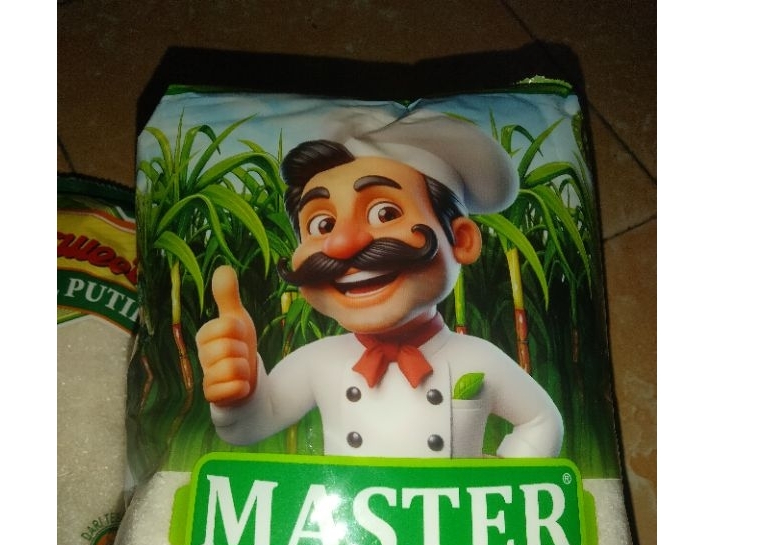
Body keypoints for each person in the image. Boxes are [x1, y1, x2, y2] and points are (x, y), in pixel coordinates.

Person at [196, 108, 563, 458]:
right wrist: (237, 394)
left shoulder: (478, 359)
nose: (342, 244)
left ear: (462, 240)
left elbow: (541, 421)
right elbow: (251, 427)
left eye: (384, 213)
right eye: (323, 225)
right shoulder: (317, 361)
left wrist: (499, 479)